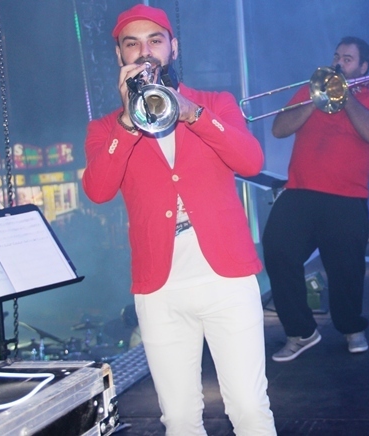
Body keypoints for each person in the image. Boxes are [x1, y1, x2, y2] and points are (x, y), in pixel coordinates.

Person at [82, 5, 275, 434]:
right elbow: (97, 190)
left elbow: (251, 161)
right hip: (159, 285)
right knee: (180, 418)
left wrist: (194, 114)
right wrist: (128, 123)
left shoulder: (215, 104)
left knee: (248, 407)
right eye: (132, 44)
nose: (144, 51)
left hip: (226, 275)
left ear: (173, 48)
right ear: (120, 56)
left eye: (155, 40)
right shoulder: (105, 128)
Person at [262, 36, 369, 362]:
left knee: (346, 271)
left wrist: (345, 97)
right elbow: (279, 129)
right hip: (300, 191)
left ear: (363, 67)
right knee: (277, 251)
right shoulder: (310, 91)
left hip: (346, 198)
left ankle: (351, 327)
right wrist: (314, 98)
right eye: (337, 56)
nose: (339, 63)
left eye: (347, 59)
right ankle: (301, 332)